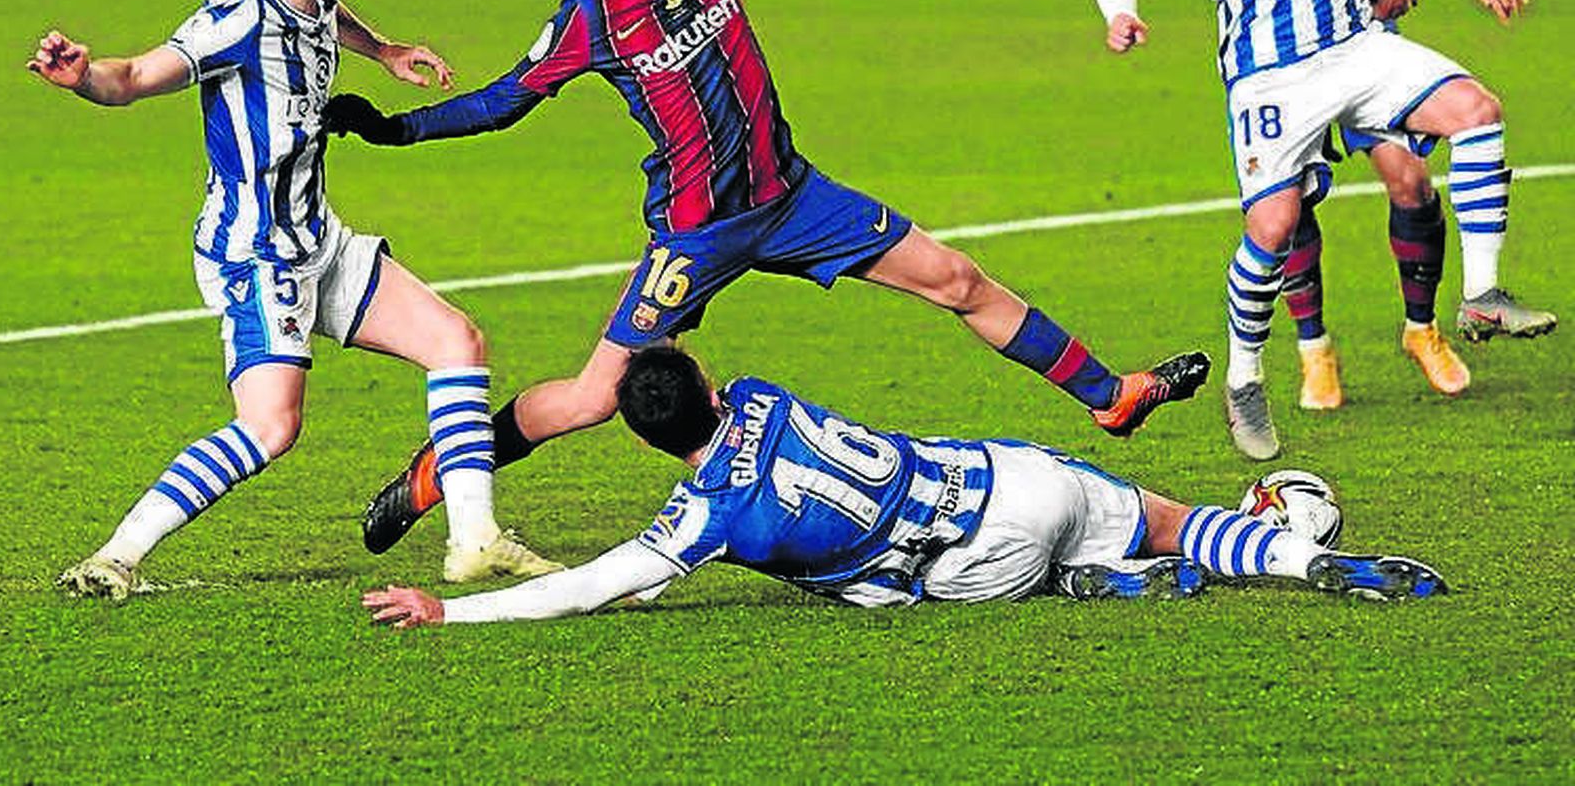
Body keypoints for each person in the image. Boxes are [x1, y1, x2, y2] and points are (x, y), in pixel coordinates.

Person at [326, 0, 1210, 558]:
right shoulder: (593, 15)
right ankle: (439, 470)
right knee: (596, 398)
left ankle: (1111, 395)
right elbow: (500, 102)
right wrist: (390, 128)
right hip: (695, 236)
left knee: (958, 280)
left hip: (794, 200)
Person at [28, 0, 559, 601]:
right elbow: (139, 77)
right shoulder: (235, 20)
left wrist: (383, 50)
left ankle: (474, 540)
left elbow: (327, 20)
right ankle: (117, 554)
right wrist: (85, 76)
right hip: (255, 253)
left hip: (320, 239)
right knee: (271, 428)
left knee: (455, 342)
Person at [1094, 0, 1556, 461]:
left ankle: (1481, 296)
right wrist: (1120, 10)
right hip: (1269, 75)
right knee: (1273, 228)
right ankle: (1245, 378)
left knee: (1478, 111)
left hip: (1355, 45)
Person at [361, 345, 1447, 629]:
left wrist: (448, 607)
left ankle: (1082, 586)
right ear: (707, 385)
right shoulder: (765, 397)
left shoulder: (705, 515)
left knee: (865, 581)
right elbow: (683, 367)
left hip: (961, 578)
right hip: (1012, 483)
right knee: (1180, 519)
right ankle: (1306, 558)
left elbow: (588, 586)